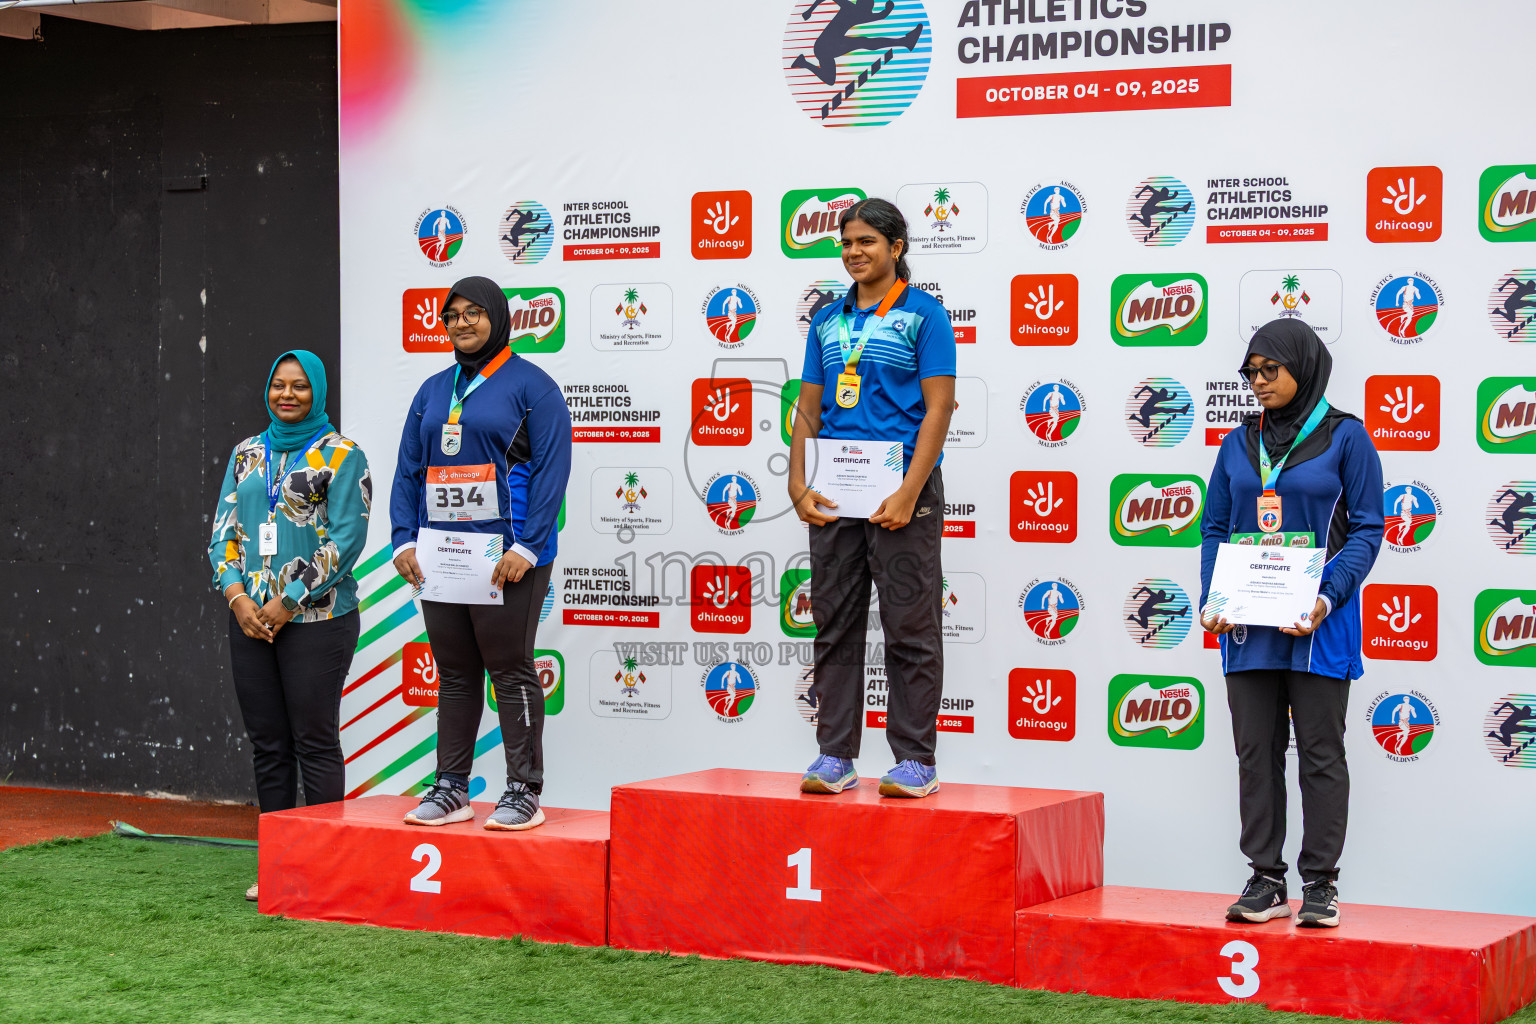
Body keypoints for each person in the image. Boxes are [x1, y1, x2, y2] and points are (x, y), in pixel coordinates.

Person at [1199, 319, 1384, 928]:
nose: (1258, 382)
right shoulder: (1236, 443)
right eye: (1250, 373)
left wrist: (1327, 596)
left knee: (1321, 754)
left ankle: (1321, 885)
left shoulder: (1346, 438)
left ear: (1302, 366)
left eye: (1269, 370)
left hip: (1318, 625)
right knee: (1256, 754)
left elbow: (1367, 529)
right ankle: (1266, 880)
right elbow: (1216, 529)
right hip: (1249, 627)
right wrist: (1214, 597)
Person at [788, 197, 956, 799]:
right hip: (834, 490)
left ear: (896, 248)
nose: (854, 252)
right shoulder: (827, 321)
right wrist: (796, 481)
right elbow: (809, 407)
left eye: (867, 242)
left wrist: (910, 490)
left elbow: (939, 409)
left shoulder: (924, 315)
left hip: (901, 490)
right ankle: (835, 754)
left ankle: (915, 760)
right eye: (847, 242)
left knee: (910, 625)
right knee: (834, 623)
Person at [391, 276, 571, 831]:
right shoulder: (431, 389)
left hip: (507, 555)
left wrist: (528, 545)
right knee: (455, 673)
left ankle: (523, 791)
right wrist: (403, 537)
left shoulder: (531, 385)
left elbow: (552, 470)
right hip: (443, 554)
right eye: (453, 314)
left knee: (511, 669)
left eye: (474, 312)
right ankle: (451, 788)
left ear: (497, 316)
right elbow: (408, 470)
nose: (462, 322)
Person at [208, 350, 371, 901]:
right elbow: (223, 530)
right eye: (279, 385)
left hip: (318, 620)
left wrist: (290, 601)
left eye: (300, 386)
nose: (287, 395)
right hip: (250, 620)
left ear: (317, 392)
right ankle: (279, 865)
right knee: (269, 744)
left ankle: (323, 868)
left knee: (314, 740)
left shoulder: (343, 455)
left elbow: (346, 540)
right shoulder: (246, 453)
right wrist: (237, 597)